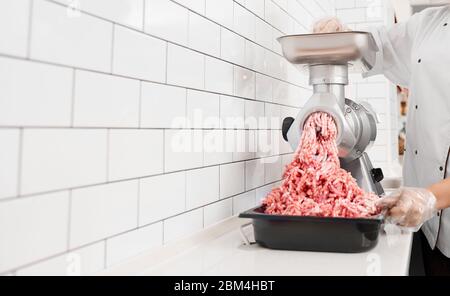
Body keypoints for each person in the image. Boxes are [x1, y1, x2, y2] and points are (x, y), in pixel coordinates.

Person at [313, 6, 450, 275]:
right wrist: (342, 37)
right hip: (422, 224)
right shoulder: (429, 23)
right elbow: (379, 46)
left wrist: (431, 198)